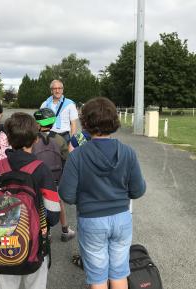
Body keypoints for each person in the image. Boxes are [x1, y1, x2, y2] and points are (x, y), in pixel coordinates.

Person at [58, 97, 146, 289]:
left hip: (92, 220)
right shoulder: (128, 152)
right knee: (119, 273)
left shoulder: (77, 156)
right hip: (122, 219)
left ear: (86, 123)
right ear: (114, 120)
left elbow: (67, 195)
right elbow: (138, 190)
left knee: (98, 278)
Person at [0, 112, 60, 289]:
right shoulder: (41, 169)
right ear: (36, 139)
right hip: (35, 242)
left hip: (4, 239)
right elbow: (53, 215)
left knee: (7, 284)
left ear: (8, 139)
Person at [32, 108, 76, 242]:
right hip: (56, 180)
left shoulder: (33, 140)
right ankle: (65, 230)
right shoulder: (60, 139)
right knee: (58, 202)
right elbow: (66, 158)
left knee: (40, 204)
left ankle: (46, 232)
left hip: (38, 179)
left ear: (38, 123)